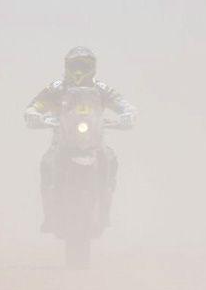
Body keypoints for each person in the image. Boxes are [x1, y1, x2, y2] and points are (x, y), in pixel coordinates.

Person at [24, 46, 137, 232]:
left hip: (94, 141)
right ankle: (50, 216)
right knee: (46, 163)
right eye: (75, 65)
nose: (79, 70)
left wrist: (128, 114)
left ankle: (104, 211)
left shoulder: (101, 89)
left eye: (84, 65)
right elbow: (35, 105)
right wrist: (33, 114)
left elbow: (123, 104)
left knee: (110, 159)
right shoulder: (56, 88)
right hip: (62, 141)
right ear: (67, 66)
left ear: (92, 67)